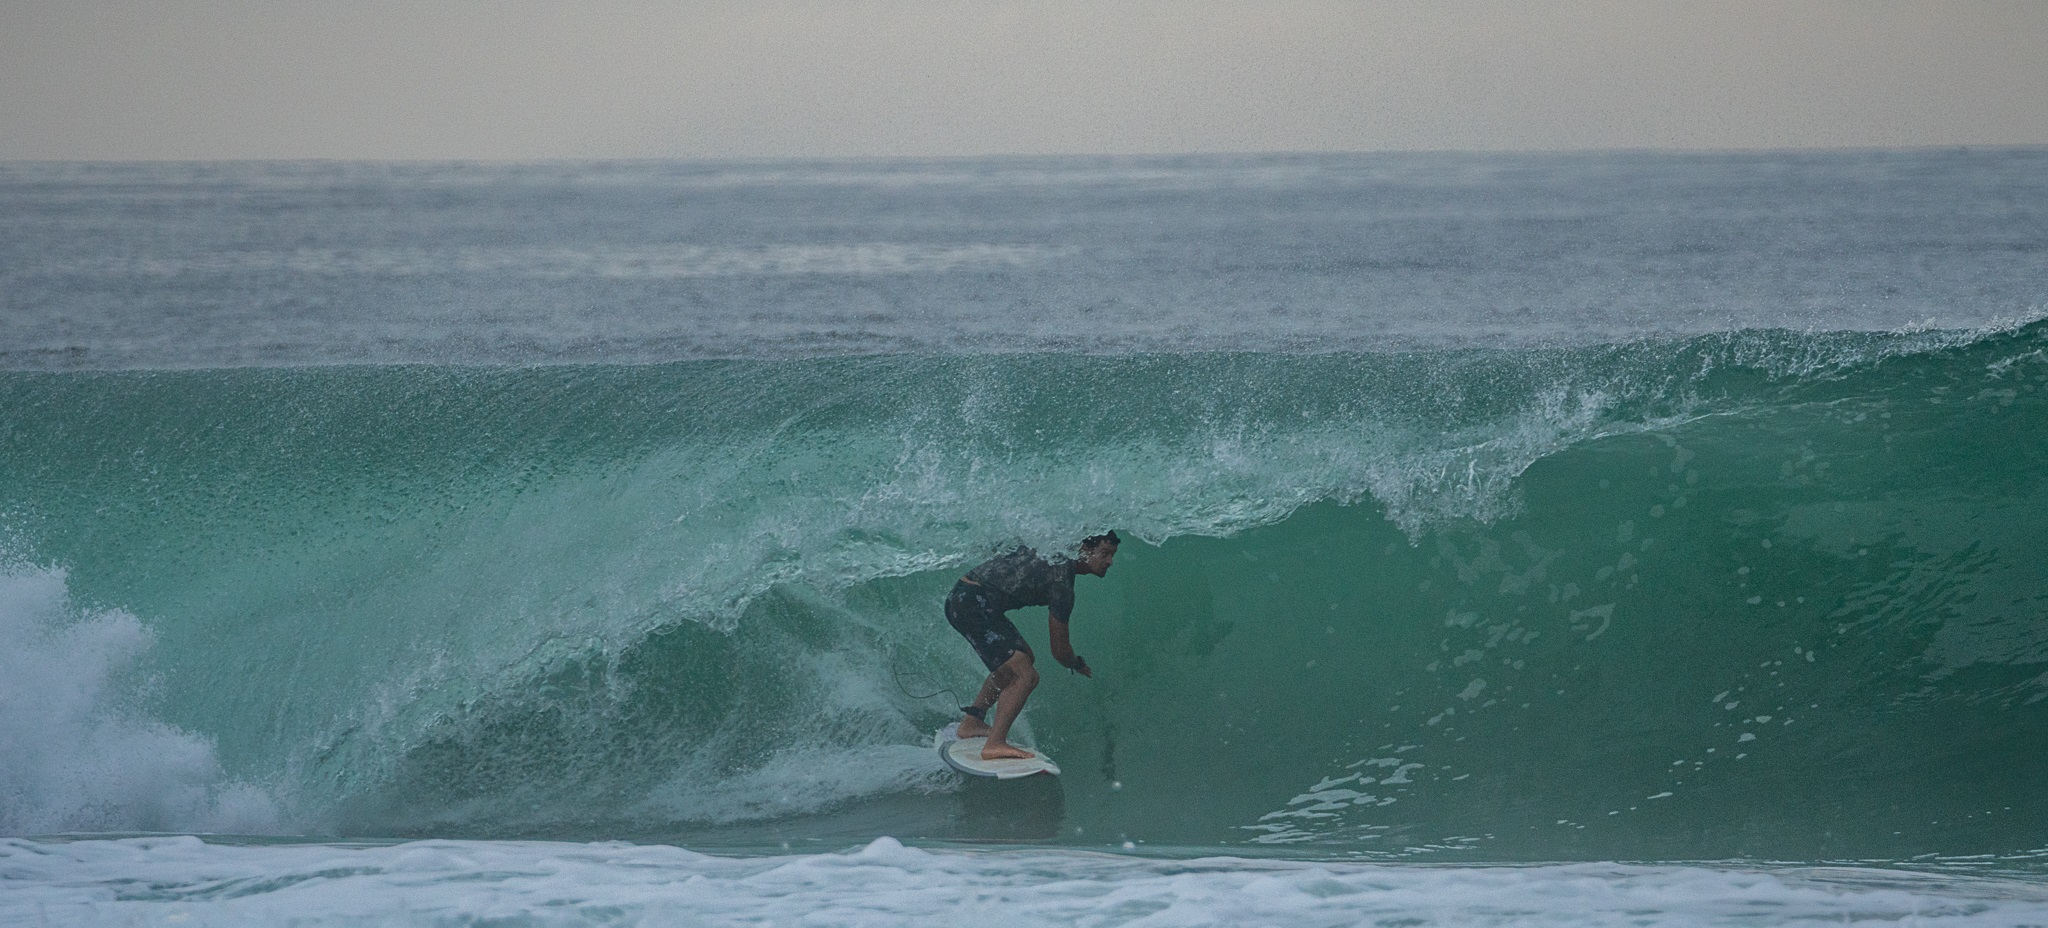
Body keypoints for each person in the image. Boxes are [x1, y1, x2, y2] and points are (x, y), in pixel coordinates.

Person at [945, 531, 1118, 760]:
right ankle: (994, 744)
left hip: (967, 597)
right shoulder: (1061, 584)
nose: (1109, 562)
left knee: (1023, 658)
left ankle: (972, 722)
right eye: (1104, 553)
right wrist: (1076, 663)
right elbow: (1059, 650)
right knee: (1025, 676)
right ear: (1084, 549)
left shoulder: (1050, 547)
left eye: (1112, 555)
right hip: (970, 604)